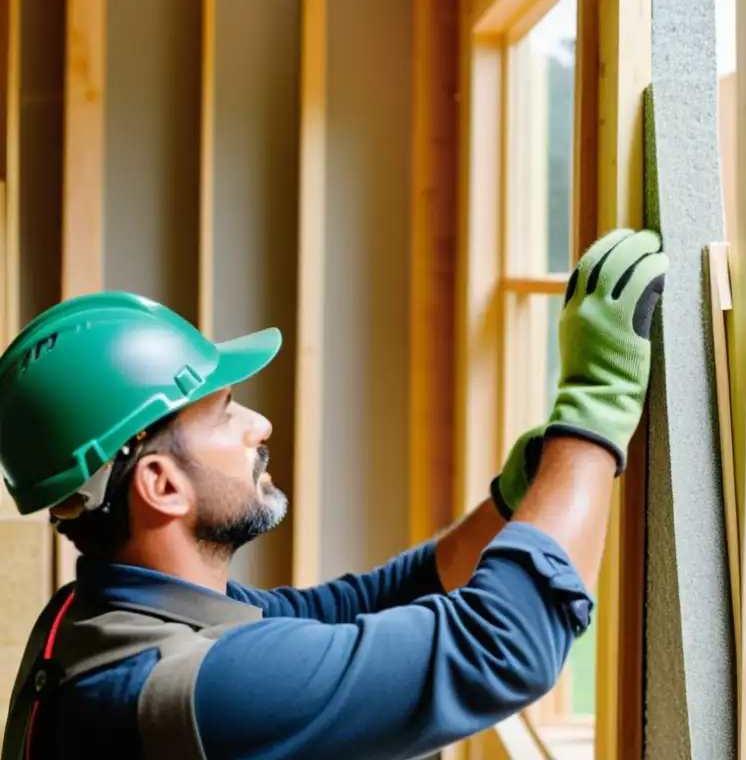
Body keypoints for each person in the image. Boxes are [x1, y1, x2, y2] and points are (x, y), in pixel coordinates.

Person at [0, 228, 667, 760]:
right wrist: (595, 406)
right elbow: (501, 650)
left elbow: (348, 609)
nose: (259, 426)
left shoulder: (97, 619)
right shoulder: (194, 690)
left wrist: (517, 499)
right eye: (226, 413)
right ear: (161, 485)